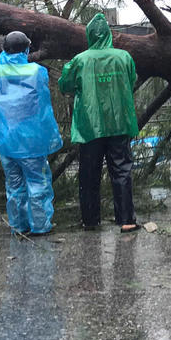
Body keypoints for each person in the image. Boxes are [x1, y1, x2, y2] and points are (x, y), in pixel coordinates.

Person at [59, 13, 140, 233]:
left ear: (89, 35)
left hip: (89, 125)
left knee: (89, 172)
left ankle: (90, 220)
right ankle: (126, 220)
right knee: (122, 170)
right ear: (108, 34)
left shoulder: (80, 60)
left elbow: (64, 85)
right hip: (119, 123)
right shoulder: (123, 57)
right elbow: (132, 80)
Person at [0, 31, 63, 236]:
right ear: (27, 49)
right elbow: (42, 103)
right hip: (31, 140)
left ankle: (18, 226)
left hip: (6, 139)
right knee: (37, 183)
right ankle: (40, 225)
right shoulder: (37, 71)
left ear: (4, 49)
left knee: (14, 186)